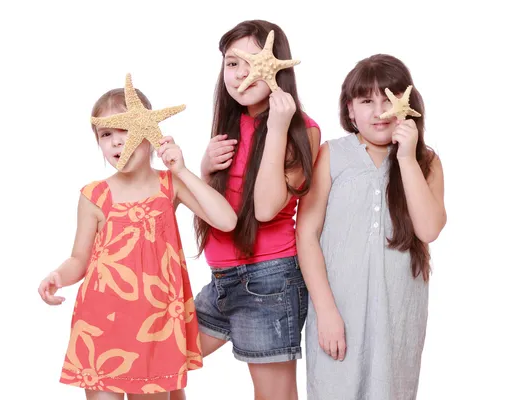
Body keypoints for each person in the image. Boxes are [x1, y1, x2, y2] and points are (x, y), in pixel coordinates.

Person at [38, 86, 237, 400]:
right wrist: (58, 277)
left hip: (156, 328)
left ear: (150, 132)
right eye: (106, 134)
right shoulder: (94, 196)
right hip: (102, 325)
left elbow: (226, 220)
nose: (117, 141)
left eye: (125, 129)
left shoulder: (170, 185)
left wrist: (182, 169)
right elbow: (80, 258)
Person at [173, 20, 321, 400]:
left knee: (274, 395)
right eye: (232, 63)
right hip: (222, 279)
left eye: (254, 61)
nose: (241, 73)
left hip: (270, 279)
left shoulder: (301, 128)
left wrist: (277, 127)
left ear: (279, 67)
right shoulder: (230, 125)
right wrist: (204, 170)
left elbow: (267, 207)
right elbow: (216, 211)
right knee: (164, 362)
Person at [296, 54, 447, 399]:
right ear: (350, 110)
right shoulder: (331, 154)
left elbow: (428, 230)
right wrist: (326, 311)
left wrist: (406, 157)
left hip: (397, 311)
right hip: (338, 308)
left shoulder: (426, 160)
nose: (379, 111)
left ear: (406, 104)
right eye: (366, 101)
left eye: (388, 99)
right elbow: (306, 234)